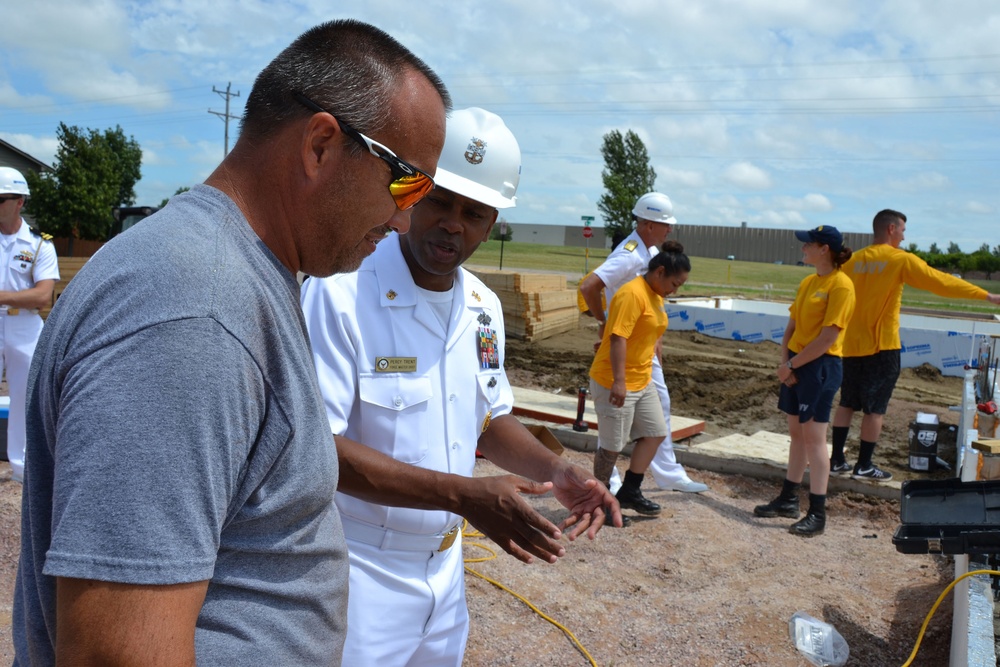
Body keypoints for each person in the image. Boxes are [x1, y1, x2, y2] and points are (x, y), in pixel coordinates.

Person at [14, 20, 450, 665]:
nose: (406, 217)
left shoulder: (240, 277)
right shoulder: (193, 310)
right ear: (322, 145)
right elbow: (119, 652)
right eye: (406, 182)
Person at [301, 108, 620, 667]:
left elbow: (489, 420)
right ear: (409, 192)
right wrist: (462, 495)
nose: (453, 224)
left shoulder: (483, 306)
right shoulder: (343, 292)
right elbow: (313, 450)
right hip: (357, 570)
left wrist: (556, 471)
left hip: (446, 575)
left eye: (473, 213)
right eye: (440, 201)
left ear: (493, 220)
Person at [830, 209, 1000, 481]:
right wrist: (986, 296)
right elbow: (939, 282)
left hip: (850, 346)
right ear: (890, 229)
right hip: (882, 347)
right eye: (902, 230)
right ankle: (864, 465)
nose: (904, 236)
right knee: (875, 409)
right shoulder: (899, 259)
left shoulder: (852, 261)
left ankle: (836, 460)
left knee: (846, 404)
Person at [579, 193, 709, 494]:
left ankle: (667, 473)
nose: (670, 230)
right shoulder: (629, 255)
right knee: (614, 414)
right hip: (624, 346)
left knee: (659, 406)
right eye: (666, 224)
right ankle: (609, 480)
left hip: (644, 345)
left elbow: (654, 299)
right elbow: (589, 286)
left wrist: (657, 338)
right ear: (648, 224)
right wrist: (604, 323)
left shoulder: (650, 251)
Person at [755, 225, 855, 537]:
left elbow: (827, 338)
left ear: (824, 248)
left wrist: (793, 364)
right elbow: (792, 327)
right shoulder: (809, 281)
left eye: (807, 244)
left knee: (814, 439)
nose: (803, 249)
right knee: (797, 435)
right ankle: (788, 499)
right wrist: (785, 363)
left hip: (820, 367)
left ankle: (818, 512)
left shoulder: (842, 286)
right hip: (797, 364)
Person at [589, 241, 691, 516]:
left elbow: (647, 329)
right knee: (610, 449)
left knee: (656, 432)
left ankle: (630, 492)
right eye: (675, 283)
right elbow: (618, 337)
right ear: (659, 272)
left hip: (642, 379)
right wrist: (619, 382)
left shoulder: (655, 294)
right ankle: (597, 502)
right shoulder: (632, 294)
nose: (675, 290)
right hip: (615, 379)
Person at [0, 167, 58, 484]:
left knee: (25, 398)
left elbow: (42, 295)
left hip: (24, 327)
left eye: (2, 199)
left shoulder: (39, 245)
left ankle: (22, 471)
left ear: (19, 201)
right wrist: (16, 296)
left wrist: (4, 297)